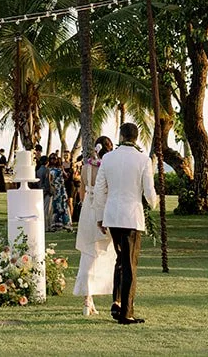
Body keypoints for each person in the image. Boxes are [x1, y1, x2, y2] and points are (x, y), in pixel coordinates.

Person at [90, 122, 155, 326]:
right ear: (136, 138)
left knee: (120, 260)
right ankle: (127, 312)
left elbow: (100, 190)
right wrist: (154, 203)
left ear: (121, 136)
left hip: (112, 215)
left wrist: (100, 217)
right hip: (131, 217)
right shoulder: (143, 160)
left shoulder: (108, 158)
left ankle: (117, 302)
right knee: (129, 265)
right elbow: (149, 191)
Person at [73, 140, 116, 317]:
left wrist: (87, 207)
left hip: (87, 212)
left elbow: (81, 193)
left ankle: (88, 299)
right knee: (102, 254)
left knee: (88, 254)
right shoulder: (107, 168)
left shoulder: (85, 168)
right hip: (103, 211)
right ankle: (91, 299)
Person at [48, 153, 72, 229]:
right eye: (51, 159)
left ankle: (65, 222)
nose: (53, 160)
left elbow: (66, 176)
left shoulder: (60, 169)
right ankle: (56, 222)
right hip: (55, 189)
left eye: (54, 159)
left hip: (61, 188)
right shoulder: (50, 169)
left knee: (63, 206)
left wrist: (63, 170)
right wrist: (52, 187)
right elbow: (50, 180)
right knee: (56, 206)